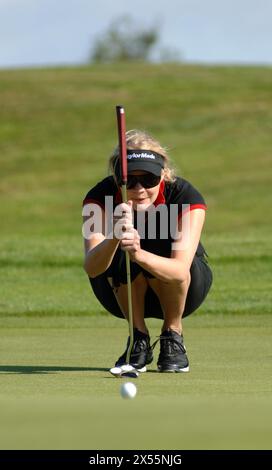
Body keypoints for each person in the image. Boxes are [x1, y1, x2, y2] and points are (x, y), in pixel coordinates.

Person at [82, 130, 213, 373]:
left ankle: (172, 335)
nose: (139, 188)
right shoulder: (98, 198)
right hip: (118, 292)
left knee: (164, 238)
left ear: (163, 175)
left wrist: (138, 254)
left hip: (186, 288)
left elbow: (179, 270)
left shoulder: (186, 196)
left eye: (149, 179)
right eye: (130, 180)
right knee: (119, 246)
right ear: (117, 178)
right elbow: (92, 267)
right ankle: (137, 339)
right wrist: (114, 238)